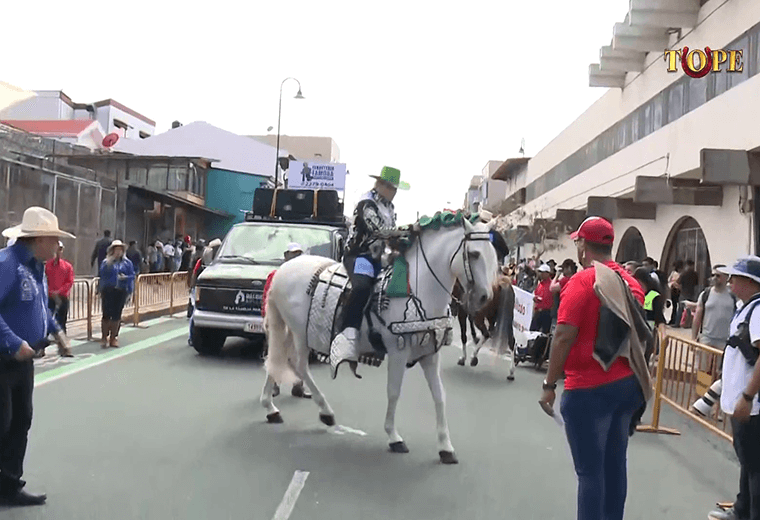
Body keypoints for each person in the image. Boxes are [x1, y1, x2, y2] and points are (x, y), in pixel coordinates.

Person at [539, 216, 649, 520]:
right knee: (615, 466)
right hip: (626, 383)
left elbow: (564, 334)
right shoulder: (631, 283)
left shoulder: (583, 281)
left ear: (583, 246)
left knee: (590, 472)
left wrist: (549, 384)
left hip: (588, 387)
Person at [0, 206, 73, 506]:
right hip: (4, 358)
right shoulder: (7, 264)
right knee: (3, 422)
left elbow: (40, 307)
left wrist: (57, 332)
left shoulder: (36, 267)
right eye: (53, 239)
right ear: (39, 239)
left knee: (21, 419)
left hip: (24, 359)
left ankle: (9, 484)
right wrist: (13, 341)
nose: (57, 245)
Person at [330, 166, 409, 378]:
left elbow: (391, 236)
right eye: (391, 188)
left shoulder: (390, 207)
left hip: (380, 257)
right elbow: (379, 230)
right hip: (360, 255)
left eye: (395, 189)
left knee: (400, 281)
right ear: (380, 185)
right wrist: (406, 230)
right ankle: (347, 331)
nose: (394, 192)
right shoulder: (367, 204)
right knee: (362, 286)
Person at [707, 256, 760, 520]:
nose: (730, 281)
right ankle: (742, 511)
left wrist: (748, 396)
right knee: (748, 462)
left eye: (735, 277)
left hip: (752, 404)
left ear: (750, 281)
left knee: (755, 466)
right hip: (742, 400)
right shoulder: (746, 308)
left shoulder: (757, 311)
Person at [262, 243, 311, 399]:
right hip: (278, 319)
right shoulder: (275, 275)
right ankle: (273, 386)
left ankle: (298, 386)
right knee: (276, 353)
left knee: (299, 354)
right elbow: (267, 297)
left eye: (298, 254)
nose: (295, 258)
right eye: (292, 254)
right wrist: (266, 317)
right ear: (286, 256)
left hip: (295, 320)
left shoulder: (304, 276)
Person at [98, 240, 135, 348]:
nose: (118, 252)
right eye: (116, 249)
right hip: (108, 290)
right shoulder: (106, 262)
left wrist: (126, 280)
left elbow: (132, 275)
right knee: (106, 313)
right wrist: (100, 289)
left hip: (121, 290)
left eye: (120, 249)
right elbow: (102, 274)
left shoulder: (127, 263)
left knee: (117, 314)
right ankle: (104, 337)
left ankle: (113, 337)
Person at [45, 241, 74, 335]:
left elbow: (69, 282)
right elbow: (44, 280)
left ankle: (62, 341)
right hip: (49, 298)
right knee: (46, 321)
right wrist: (50, 292)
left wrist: (58, 292)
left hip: (62, 298)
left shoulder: (67, 266)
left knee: (61, 322)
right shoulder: (47, 265)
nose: (58, 251)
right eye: (57, 249)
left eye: (60, 249)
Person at [531, 264, 553, 334]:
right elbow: (536, 294)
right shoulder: (540, 284)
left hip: (546, 313)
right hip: (538, 312)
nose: (541, 274)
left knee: (544, 333)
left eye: (543, 272)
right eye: (540, 272)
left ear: (548, 273)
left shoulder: (551, 284)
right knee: (532, 332)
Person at [668, 259, 684, 325]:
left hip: (674, 290)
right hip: (676, 291)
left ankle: (674, 320)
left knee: (676, 306)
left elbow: (669, 281)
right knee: (676, 306)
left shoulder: (674, 273)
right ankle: (675, 320)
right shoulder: (679, 274)